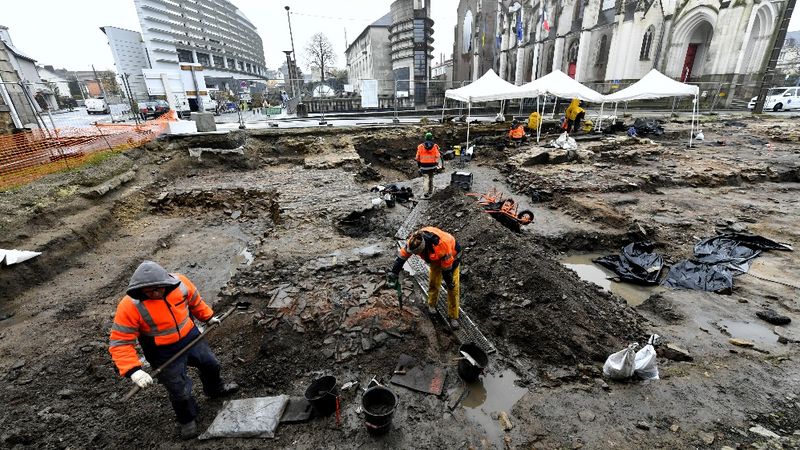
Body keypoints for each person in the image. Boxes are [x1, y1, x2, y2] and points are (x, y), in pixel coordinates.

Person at [109, 261, 238, 439]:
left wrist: (208, 317)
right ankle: (187, 418)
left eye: (159, 288)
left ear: (166, 282)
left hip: (191, 337)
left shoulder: (181, 283)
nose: (156, 293)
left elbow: (195, 302)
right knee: (179, 388)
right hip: (162, 351)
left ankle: (215, 389)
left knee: (211, 364)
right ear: (140, 289)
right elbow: (120, 342)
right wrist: (134, 370)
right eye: (150, 291)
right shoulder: (130, 305)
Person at [388, 227, 462, 329]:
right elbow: (402, 256)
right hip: (436, 257)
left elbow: (446, 270)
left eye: (416, 254)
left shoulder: (440, 246)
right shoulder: (414, 241)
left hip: (451, 256)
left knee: (453, 288)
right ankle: (432, 304)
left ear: (422, 249)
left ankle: (453, 316)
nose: (414, 255)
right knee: (433, 282)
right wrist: (394, 272)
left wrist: (449, 282)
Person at [415, 132, 442, 198]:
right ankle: (430, 191)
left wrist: (419, 165)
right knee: (431, 178)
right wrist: (437, 163)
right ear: (431, 138)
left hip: (424, 166)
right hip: (432, 166)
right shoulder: (435, 146)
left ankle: (426, 192)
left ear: (425, 138)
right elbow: (438, 156)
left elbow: (417, 157)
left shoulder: (420, 146)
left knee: (425, 179)